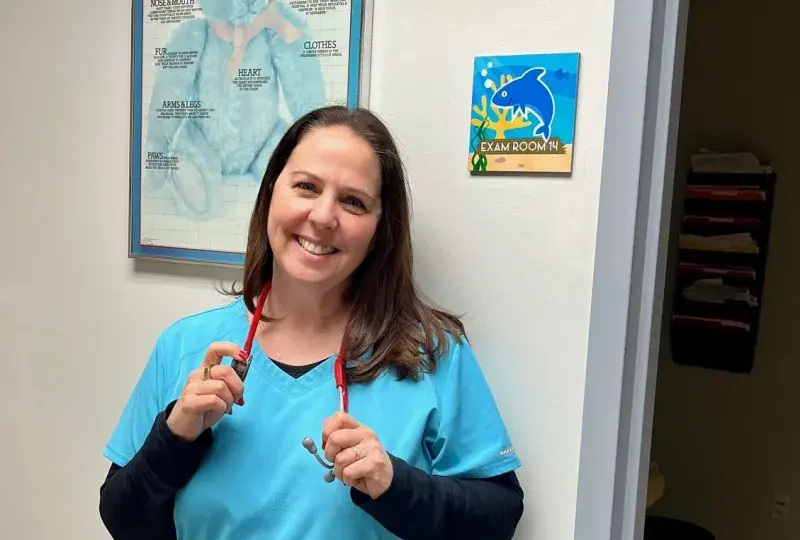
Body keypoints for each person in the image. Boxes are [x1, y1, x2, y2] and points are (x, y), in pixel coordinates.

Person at [99, 105, 524, 539]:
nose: (323, 217)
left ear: (381, 228)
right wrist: (175, 437)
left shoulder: (431, 355)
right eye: (306, 187)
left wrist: (393, 484)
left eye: (353, 201)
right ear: (270, 194)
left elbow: (497, 517)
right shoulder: (186, 347)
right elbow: (123, 520)